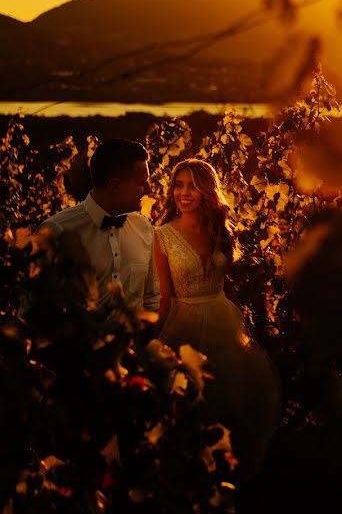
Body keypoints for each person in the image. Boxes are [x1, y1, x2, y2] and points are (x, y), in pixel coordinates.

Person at [153, 158, 280, 476]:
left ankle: (231, 475)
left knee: (233, 404)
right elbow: (165, 297)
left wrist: (247, 327)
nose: (183, 193)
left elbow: (228, 287)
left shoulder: (220, 230)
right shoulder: (162, 236)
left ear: (207, 191)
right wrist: (153, 339)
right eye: (178, 185)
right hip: (185, 320)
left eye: (192, 186)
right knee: (189, 404)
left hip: (223, 319)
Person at [40, 138, 159, 313]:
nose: (149, 189)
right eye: (142, 183)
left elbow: (152, 299)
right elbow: (35, 307)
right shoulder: (56, 231)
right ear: (115, 186)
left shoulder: (144, 228)